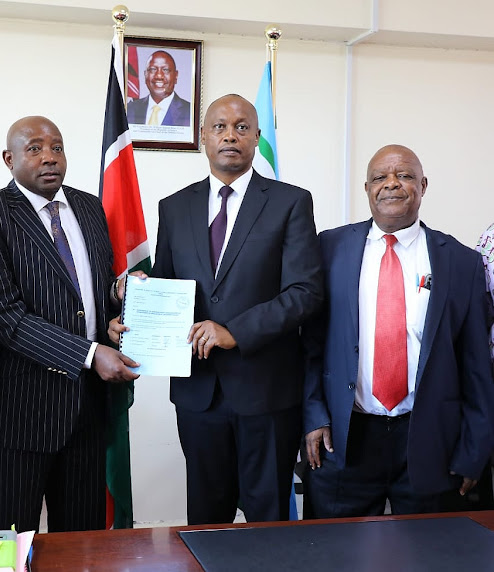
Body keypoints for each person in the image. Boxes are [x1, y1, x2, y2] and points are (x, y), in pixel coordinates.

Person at [113, 94, 323, 524]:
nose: (231, 135)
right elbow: (169, 286)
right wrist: (136, 303)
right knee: (207, 520)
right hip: (198, 393)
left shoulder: (290, 202)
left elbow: (305, 291)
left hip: (266, 392)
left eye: (242, 127)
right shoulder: (176, 206)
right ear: (204, 139)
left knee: (267, 522)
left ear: (257, 138)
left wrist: (234, 331)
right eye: (220, 127)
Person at [0, 116, 139, 533]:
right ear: (9, 159)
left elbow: (89, 290)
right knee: (12, 541)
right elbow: (7, 319)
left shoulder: (90, 207)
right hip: (19, 416)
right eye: (35, 148)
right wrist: (91, 354)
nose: (49, 158)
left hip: (87, 413)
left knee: (82, 545)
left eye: (56, 147)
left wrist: (121, 291)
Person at [303, 144, 494, 518]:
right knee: (335, 554)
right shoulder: (328, 248)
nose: (392, 184)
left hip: (430, 440)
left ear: (423, 186)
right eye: (380, 177)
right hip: (344, 438)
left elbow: (476, 366)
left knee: (430, 554)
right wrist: (314, 416)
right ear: (367, 188)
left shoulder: (461, 262)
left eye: (404, 175)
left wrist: (475, 451)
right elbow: (309, 344)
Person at [126, 50, 191, 127]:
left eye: (166, 70)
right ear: (145, 74)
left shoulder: (190, 112)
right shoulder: (129, 110)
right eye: (153, 69)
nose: (159, 76)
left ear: (176, 76)